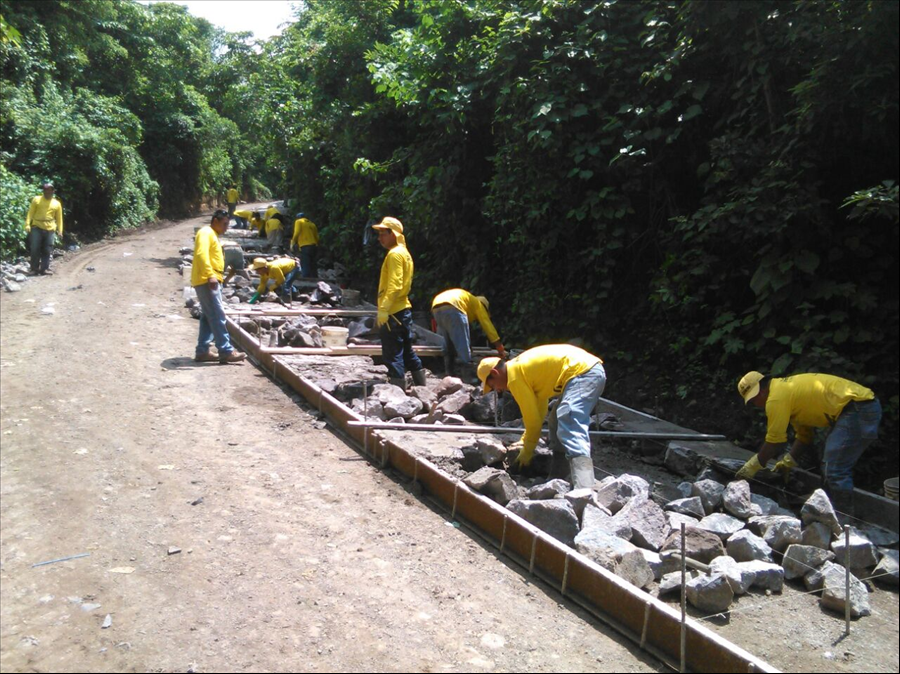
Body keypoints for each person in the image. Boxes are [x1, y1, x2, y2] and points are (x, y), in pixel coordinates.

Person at [735, 371, 881, 515]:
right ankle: (827, 511)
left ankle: (842, 520)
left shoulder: (776, 398)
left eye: (753, 401)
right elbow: (805, 437)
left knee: (834, 468)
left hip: (858, 408)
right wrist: (788, 462)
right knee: (830, 464)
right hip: (859, 406)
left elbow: (775, 441)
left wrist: (753, 466)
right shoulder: (786, 393)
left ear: (760, 391)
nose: (756, 405)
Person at [478, 344, 606, 490]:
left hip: (584, 373)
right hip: (586, 371)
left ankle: (585, 487)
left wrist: (526, 452)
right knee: (556, 421)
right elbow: (538, 412)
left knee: (569, 418)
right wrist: (524, 441)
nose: (498, 390)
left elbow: (533, 423)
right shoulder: (522, 370)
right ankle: (558, 477)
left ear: (494, 373)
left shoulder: (514, 378)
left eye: (493, 386)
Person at [372, 217, 426, 390]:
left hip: (393, 312)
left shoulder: (394, 254)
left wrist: (384, 309)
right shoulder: (405, 253)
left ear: (393, 234)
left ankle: (397, 394)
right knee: (408, 351)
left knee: (393, 353)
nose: (380, 238)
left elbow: (394, 285)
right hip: (404, 310)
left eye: (383, 234)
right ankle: (423, 389)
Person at [192, 209, 246, 364]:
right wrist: (210, 275)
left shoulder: (211, 234)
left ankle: (202, 351)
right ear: (215, 220)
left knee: (207, 317)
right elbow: (201, 254)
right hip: (207, 279)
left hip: (209, 279)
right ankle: (226, 350)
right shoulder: (206, 232)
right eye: (224, 224)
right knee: (217, 314)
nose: (226, 228)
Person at [432, 288, 506, 376]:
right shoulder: (479, 305)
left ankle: (449, 372)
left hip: (436, 307)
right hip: (453, 307)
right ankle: (468, 375)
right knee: (463, 345)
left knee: (448, 342)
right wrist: (499, 346)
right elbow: (487, 326)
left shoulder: (468, 301)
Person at [24, 181, 63, 275]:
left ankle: (44, 269)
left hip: (50, 228)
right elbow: (30, 213)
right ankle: (34, 269)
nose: (47, 192)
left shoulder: (56, 203)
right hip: (36, 226)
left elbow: (59, 218)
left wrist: (60, 231)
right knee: (34, 248)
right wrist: (27, 224)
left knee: (47, 249)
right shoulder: (36, 199)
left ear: (53, 191)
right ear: (43, 191)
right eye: (46, 190)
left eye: (49, 190)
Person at [290, 212, 319, 278]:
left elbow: (296, 232)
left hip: (305, 246)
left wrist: (292, 242)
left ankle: (305, 278)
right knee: (313, 263)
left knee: (305, 263)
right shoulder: (312, 224)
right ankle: (314, 278)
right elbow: (317, 237)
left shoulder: (298, 221)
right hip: (314, 246)